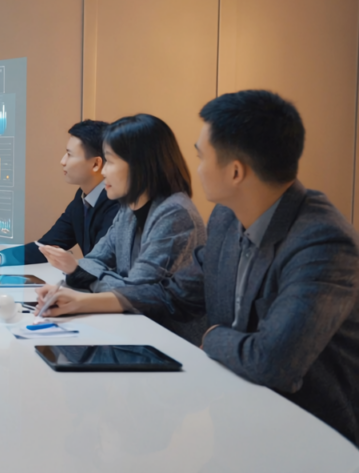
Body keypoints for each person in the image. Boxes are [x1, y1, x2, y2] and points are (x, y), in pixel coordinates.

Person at [35, 90, 359, 446]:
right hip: (238, 415)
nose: (196, 168)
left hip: (311, 437)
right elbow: (174, 292)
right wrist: (81, 302)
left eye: (202, 157)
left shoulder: (323, 242)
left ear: (235, 172)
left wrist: (211, 335)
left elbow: (272, 362)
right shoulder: (226, 218)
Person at [38, 114, 207, 341]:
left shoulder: (174, 212)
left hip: (168, 340)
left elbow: (136, 293)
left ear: (140, 164)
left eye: (110, 161)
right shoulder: (129, 207)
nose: (104, 171)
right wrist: (90, 275)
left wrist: (86, 276)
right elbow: (95, 260)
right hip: (133, 328)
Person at [0, 120, 119, 268]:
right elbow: (47, 246)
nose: (62, 161)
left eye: (69, 155)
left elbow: (102, 265)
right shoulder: (82, 198)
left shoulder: (118, 204)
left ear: (95, 164)